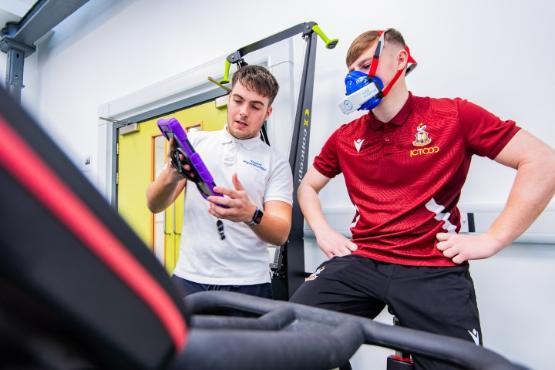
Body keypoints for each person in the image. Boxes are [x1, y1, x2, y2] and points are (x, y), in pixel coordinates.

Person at [290, 28, 555, 369]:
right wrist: (323, 231)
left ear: (401, 59)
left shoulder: (452, 116)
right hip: (363, 259)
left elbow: (542, 162)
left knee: (463, 364)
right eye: (351, 71)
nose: (356, 77)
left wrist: (494, 238)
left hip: (430, 266)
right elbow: (307, 187)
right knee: (286, 336)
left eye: (365, 64)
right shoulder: (346, 137)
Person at [147, 65, 293, 299]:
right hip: (189, 279)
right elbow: (154, 204)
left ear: (268, 113)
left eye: (255, 106)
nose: (243, 112)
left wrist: (251, 215)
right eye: (238, 100)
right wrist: (173, 172)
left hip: (249, 284)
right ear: (228, 99)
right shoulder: (195, 142)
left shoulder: (276, 163)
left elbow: (281, 233)